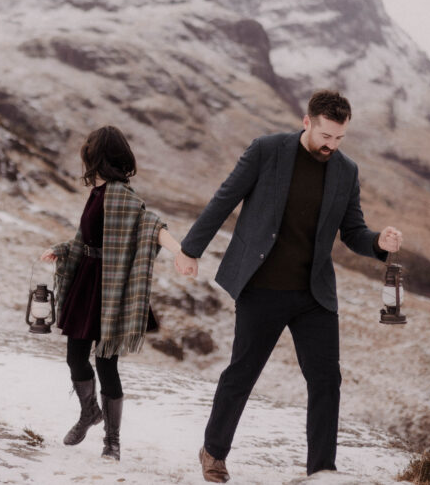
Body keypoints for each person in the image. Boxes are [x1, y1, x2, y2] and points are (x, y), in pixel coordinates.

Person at [175, 90, 403, 481]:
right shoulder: (267, 151)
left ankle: (322, 471)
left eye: (339, 138)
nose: (331, 145)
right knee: (243, 373)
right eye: (325, 136)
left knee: (326, 380)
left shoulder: (346, 171)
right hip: (261, 286)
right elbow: (225, 198)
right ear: (307, 122)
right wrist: (190, 249)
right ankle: (213, 451)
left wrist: (378, 242)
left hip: (312, 294)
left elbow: (352, 231)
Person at [40, 125, 190, 461]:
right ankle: (90, 412)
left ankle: (112, 441)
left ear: (97, 158)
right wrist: (63, 249)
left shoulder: (122, 195)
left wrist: (180, 251)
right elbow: (87, 238)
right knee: (75, 357)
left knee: (107, 363)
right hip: (86, 281)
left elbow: (152, 225)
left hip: (111, 288)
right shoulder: (96, 193)